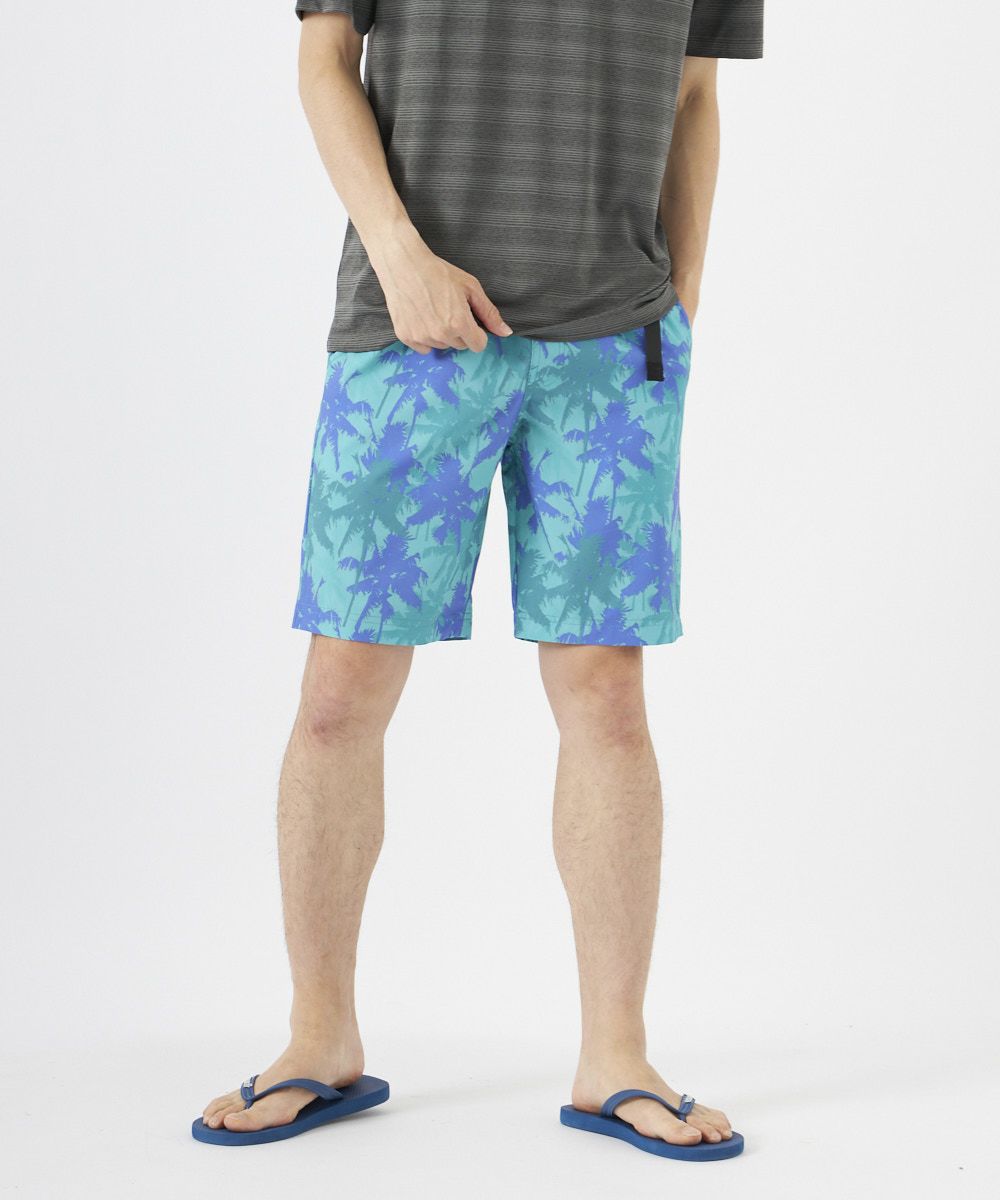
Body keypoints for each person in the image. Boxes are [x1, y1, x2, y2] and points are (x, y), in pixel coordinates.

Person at [194, 0, 763, 1160]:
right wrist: (398, 256)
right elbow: (323, 60)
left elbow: (695, 93)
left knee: (606, 696)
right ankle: (318, 1038)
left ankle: (615, 1057)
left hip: (615, 344)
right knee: (340, 692)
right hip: (407, 328)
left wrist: (683, 301)